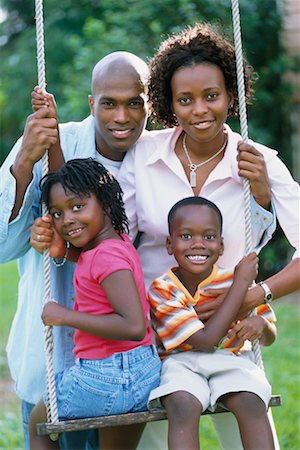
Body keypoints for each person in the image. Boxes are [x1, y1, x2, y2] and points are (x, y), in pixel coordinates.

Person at [1, 48, 274, 450]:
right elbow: (10, 241)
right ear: (92, 103)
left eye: (135, 104)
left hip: (146, 357)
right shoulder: (49, 141)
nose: (122, 117)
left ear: (151, 105)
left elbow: (212, 230)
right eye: (108, 104)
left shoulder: (160, 155)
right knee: (47, 425)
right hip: (59, 365)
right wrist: (26, 163)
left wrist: (260, 199)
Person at [117, 22, 300, 448]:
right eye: (185, 99)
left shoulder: (259, 163)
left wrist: (255, 294)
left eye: (211, 96)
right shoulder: (143, 154)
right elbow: (115, 239)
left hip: (230, 338)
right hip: (156, 339)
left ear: (231, 97)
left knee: (248, 419)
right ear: (169, 104)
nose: (200, 109)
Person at [28, 158, 161, 450]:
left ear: (107, 204)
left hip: (103, 376)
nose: (68, 220)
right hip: (143, 374)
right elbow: (96, 266)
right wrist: (63, 252)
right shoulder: (118, 244)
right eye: (57, 213)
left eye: (78, 207)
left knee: (38, 424)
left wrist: (65, 315)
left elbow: (134, 325)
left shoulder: (104, 256)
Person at [148, 196, 276, 450]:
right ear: (169, 244)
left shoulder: (231, 279)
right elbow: (205, 342)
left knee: (251, 400)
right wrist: (241, 284)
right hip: (180, 363)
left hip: (232, 360)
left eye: (208, 237)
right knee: (182, 403)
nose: (198, 245)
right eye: (186, 236)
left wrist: (261, 326)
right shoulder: (162, 289)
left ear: (221, 245)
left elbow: (270, 333)